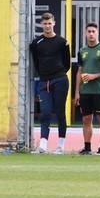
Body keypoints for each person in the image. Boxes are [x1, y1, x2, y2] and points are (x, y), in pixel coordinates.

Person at [29, 12, 71, 154]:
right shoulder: (36, 43)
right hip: (43, 81)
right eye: (45, 23)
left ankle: (60, 145)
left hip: (60, 80)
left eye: (49, 23)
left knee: (60, 112)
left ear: (54, 23)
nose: (47, 26)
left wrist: (58, 73)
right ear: (42, 24)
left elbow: (67, 64)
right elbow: (36, 61)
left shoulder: (62, 42)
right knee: (45, 112)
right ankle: (43, 145)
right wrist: (44, 75)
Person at [74, 23, 100, 155]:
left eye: (93, 31)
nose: (91, 34)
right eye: (89, 31)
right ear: (85, 34)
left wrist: (94, 76)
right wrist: (76, 92)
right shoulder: (82, 51)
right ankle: (87, 148)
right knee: (86, 119)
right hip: (85, 91)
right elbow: (79, 72)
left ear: (97, 33)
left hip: (99, 91)